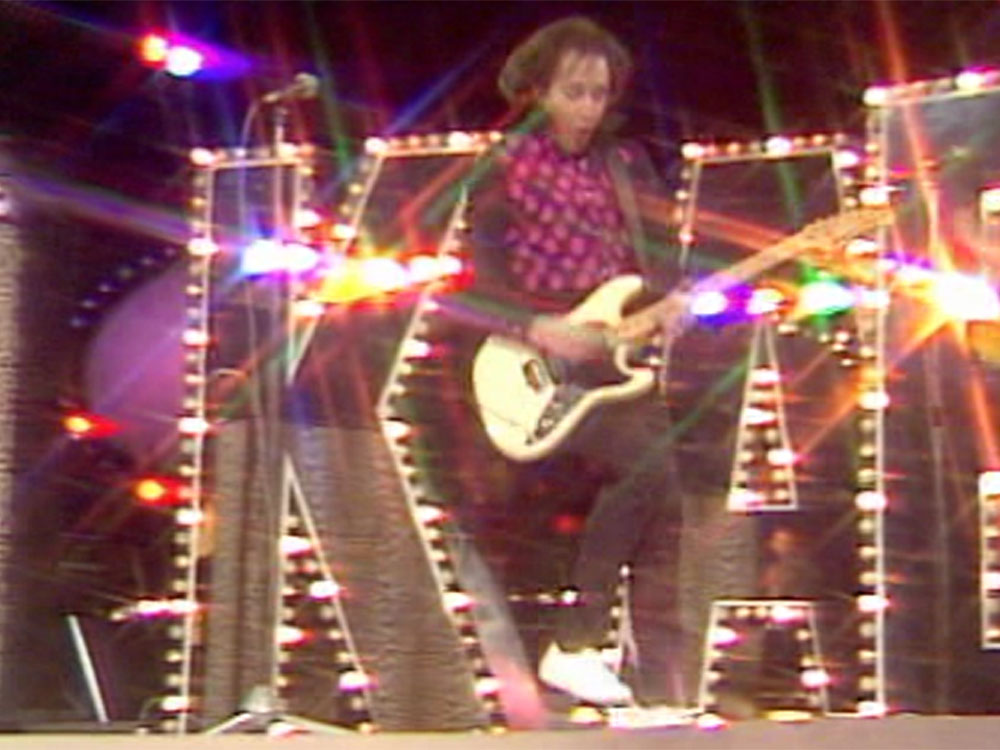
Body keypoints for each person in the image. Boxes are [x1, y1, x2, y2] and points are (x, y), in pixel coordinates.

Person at [461, 17, 690, 710]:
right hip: (539, 352)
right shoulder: (501, 165)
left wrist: (670, 301)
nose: (589, 107)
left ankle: (662, 692)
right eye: (573, 91)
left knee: (664, 503)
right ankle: (578, 642)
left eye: (599, 92)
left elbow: (654, 256)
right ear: (536, 91)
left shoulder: (626, 163)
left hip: (616, 348)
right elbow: (473, 285)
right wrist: (537, 327)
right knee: (646, 472)